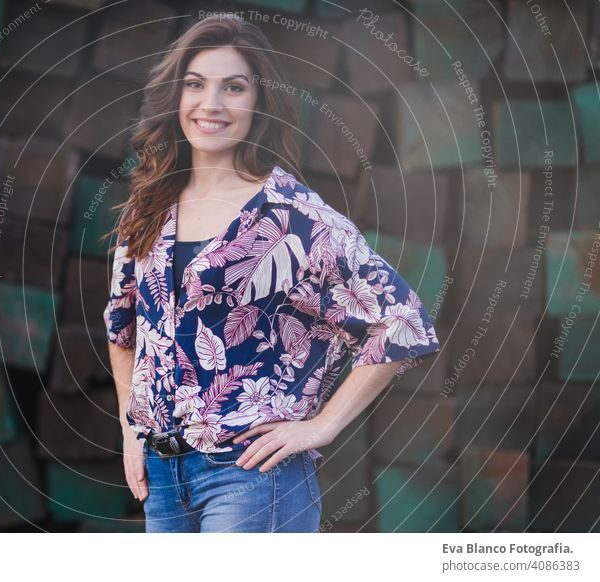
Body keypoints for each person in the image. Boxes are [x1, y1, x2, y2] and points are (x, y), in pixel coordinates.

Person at [102, 15, 440, 533]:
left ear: (256, 103)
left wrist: (322, 427)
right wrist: (130, 427)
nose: (210, 103)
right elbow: (123, 325)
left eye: (232, 87)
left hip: (252, 479)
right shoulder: (148, 205)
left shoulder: (294, 216)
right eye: (195, 85)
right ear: (176, 97)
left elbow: (401, 319)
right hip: (162, 480)